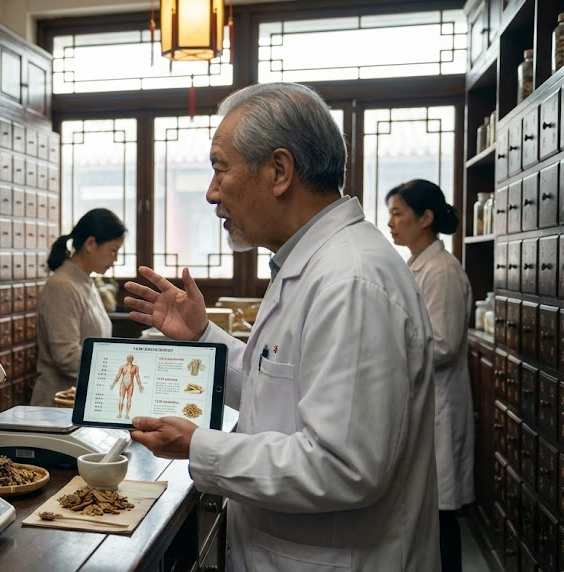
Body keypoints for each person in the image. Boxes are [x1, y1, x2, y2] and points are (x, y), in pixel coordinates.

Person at [122, 82, 440, 570]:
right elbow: (282, 393)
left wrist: (198, 445)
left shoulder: (350, 280)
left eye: (219, 168)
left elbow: (343, 467)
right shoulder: (310, 263)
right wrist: (204, 337)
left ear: (279, 171)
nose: (210, 192)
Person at [387, 179, 474, 572]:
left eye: (398, 213)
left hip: (440, 404)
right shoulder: (417, 266)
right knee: (428, 509)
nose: (391, 222)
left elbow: (444, 344)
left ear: (425, 218)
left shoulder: (441, 271)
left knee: (442, 513)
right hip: (423, 402)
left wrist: (385, 347)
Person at [30, 208, 126, 406]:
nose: (115, 259)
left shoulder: (85, 281)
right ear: (90, 244)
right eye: (113, 250)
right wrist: (114, 372)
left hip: (81, 399)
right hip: (58, 404)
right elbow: (67, 356)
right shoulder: (62, 285)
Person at [109, 354, 144, 418]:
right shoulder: (122, 367)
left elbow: (137, 376)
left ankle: (127, 414)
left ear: (132, 359)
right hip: (123, 384)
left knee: (129, 399)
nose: (130, 358)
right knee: (121, 398)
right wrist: (113, 384)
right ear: (127, 359)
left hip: (131, 384)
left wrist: (140, 385)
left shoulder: (135, 367)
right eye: (129, 357)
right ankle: (120, 413)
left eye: (131, 357)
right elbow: (118, 376)